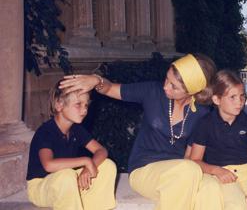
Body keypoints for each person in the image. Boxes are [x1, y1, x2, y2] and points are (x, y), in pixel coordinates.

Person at [59, 53, 216, 210]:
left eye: (174, 86)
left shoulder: (201, 113)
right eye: (167, 79)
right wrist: (96, 80)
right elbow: (110, 89)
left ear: (192, 91)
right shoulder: (152, 92)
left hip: (178, 173)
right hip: (144, 169)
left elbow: (189, 157)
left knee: (210, 186)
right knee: (188, 171)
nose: (165, 86)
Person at [190, 70, 247, 210]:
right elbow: (194, 160)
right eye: (232, 97)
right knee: (236, 205)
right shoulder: (205, 124)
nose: (239, 102)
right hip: (222, 174)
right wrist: (216, 170)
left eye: (241, 96)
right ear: (216, 99)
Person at [26, 80, 117, 210]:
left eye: (86, 105)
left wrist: (88, 167)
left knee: (108, 166)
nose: (84, 110)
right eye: (78, 104)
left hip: (67, 183)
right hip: (41, 187)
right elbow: (49, 165)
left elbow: (101, 150)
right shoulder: (46, 131)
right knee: (67, 176)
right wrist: (86, 161)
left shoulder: (76, 129)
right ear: (59, 105)